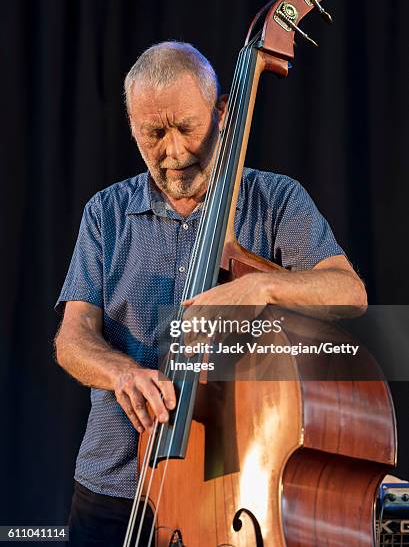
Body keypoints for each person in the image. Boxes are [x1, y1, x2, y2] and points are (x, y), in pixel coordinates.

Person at [54, 41, 367, 545]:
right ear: (131, 126)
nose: (173, 152)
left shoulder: (275, 200)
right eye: (153, 134)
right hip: (110, 485)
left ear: (223, 113)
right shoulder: (105, 214)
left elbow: (349, 292)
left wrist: (261, 284)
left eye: (186, 128)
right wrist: (121, 372)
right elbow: (72, 338)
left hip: (225, 487)